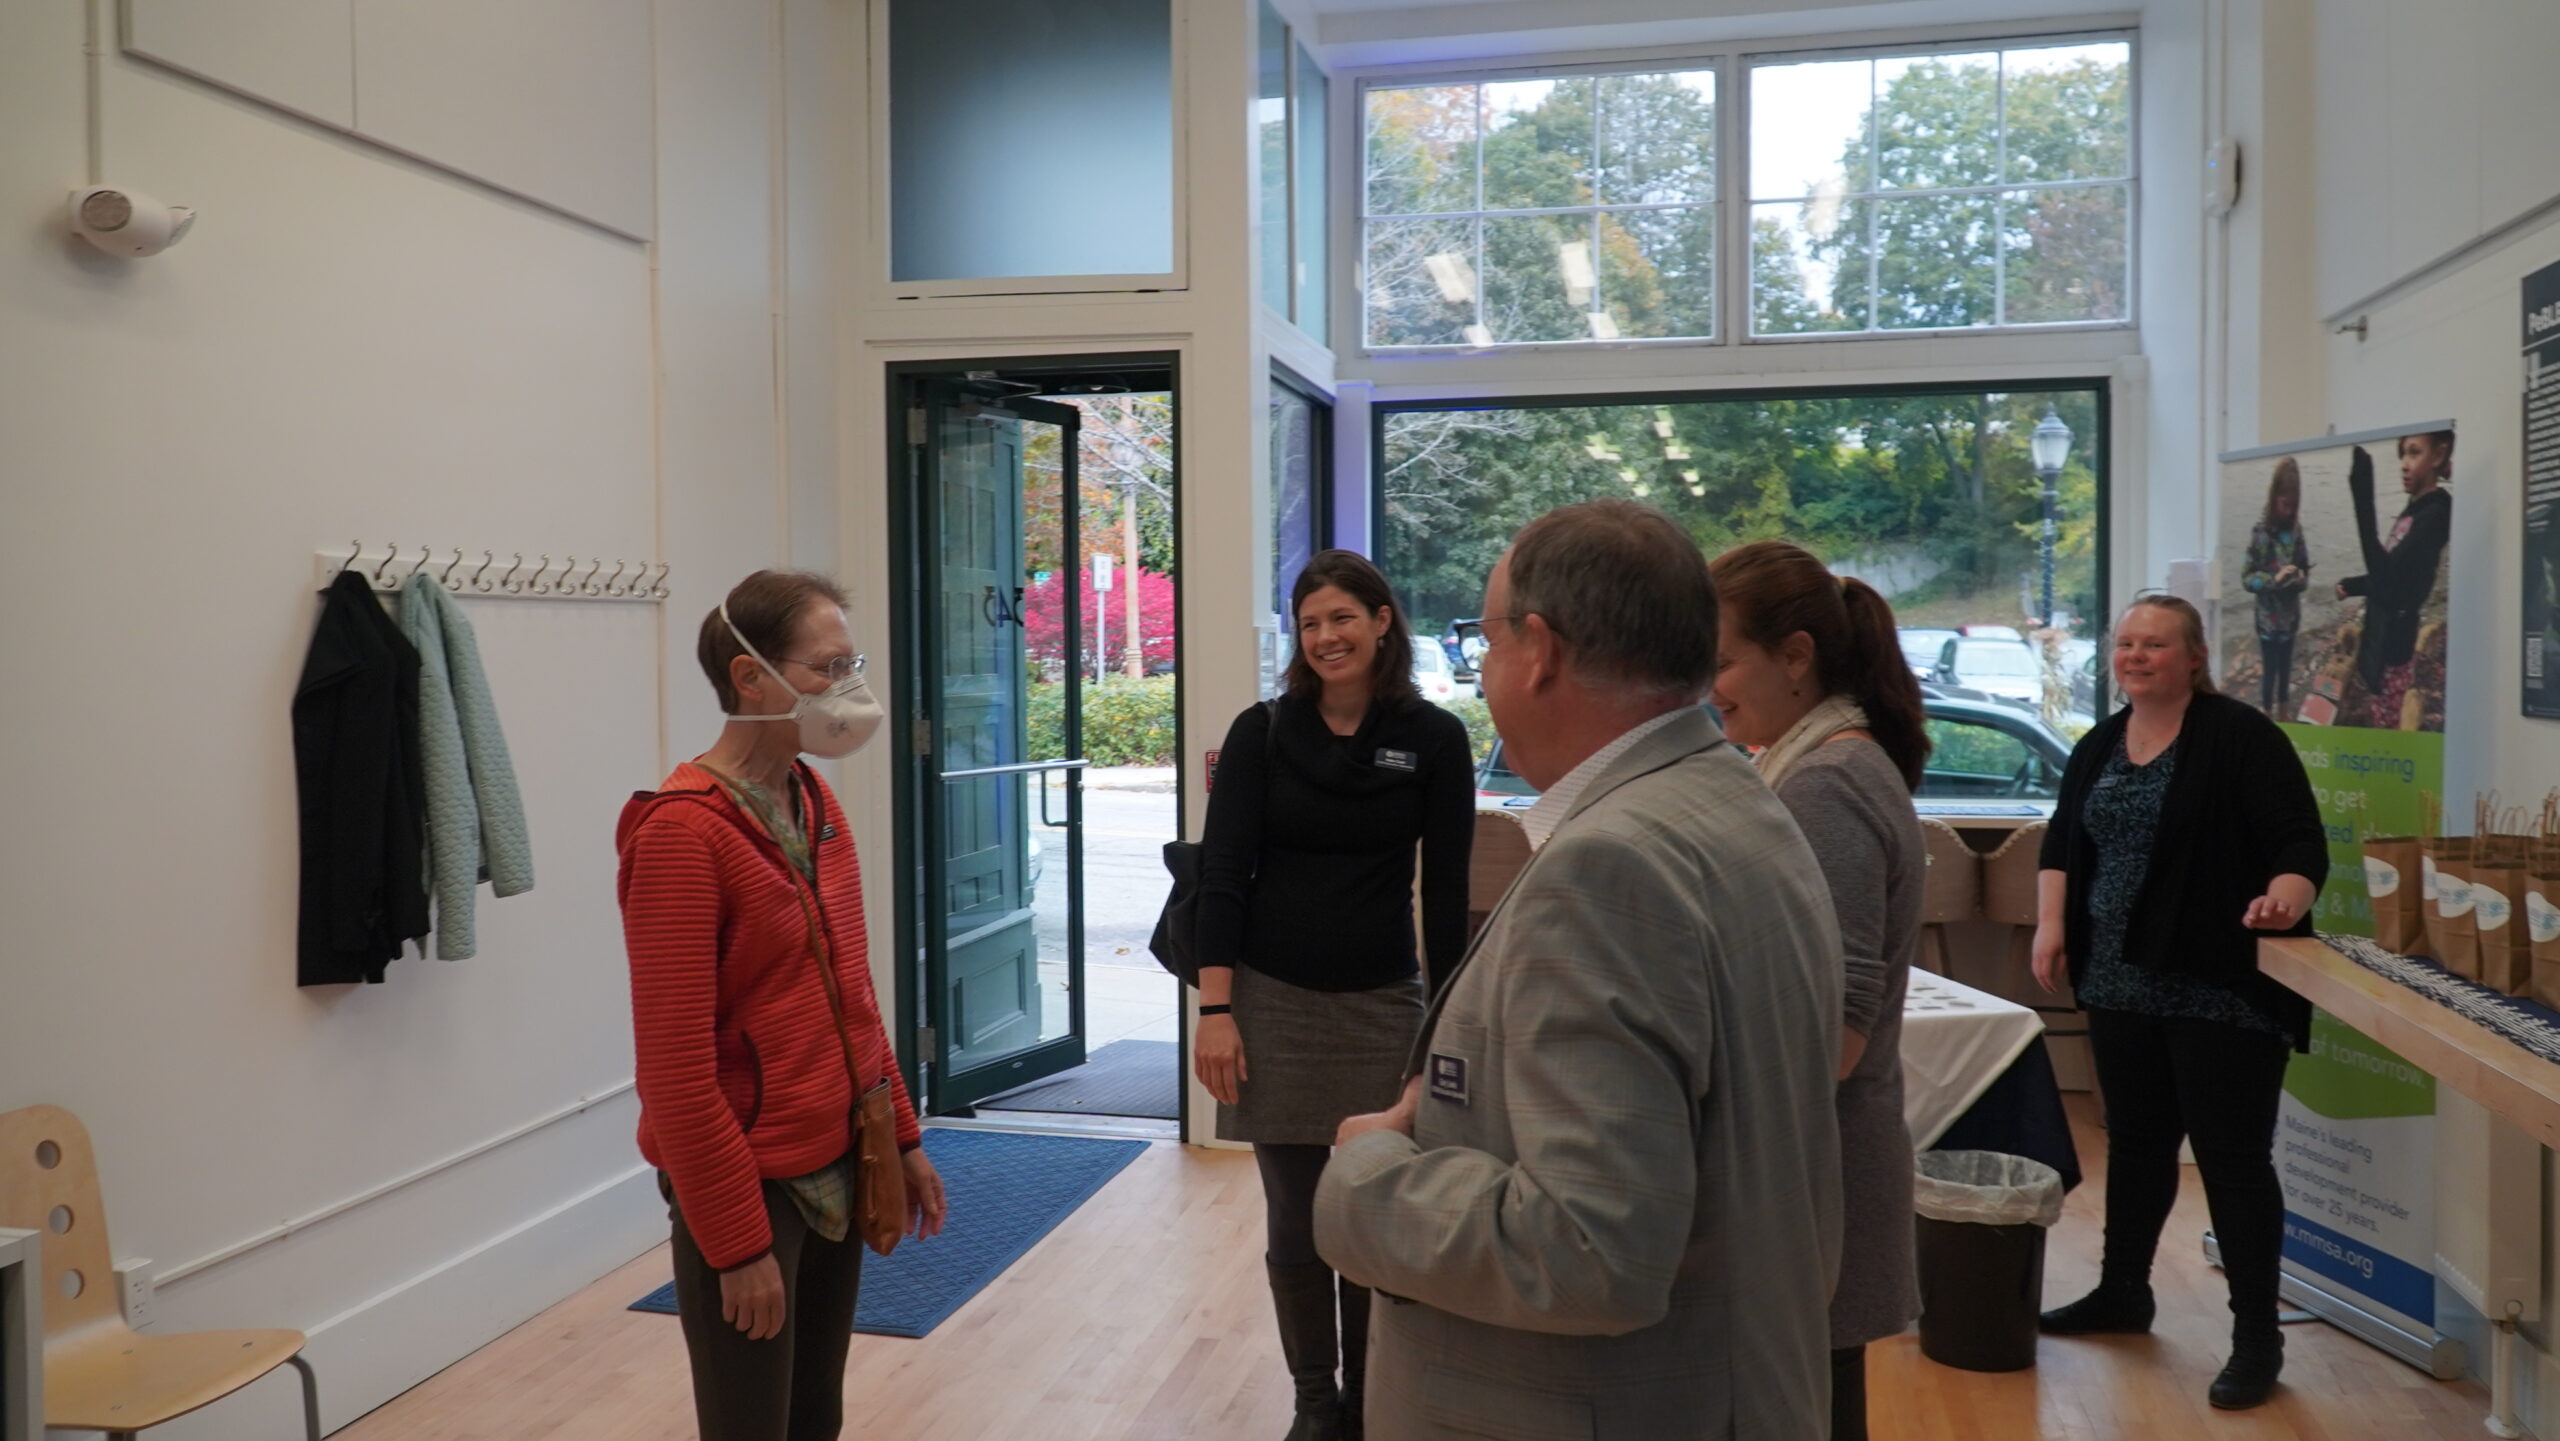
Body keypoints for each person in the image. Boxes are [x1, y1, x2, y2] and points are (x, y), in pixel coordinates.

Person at [1313, 501, 1844, 1441]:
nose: (1481, 676)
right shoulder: (1741, 808)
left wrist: (1369, 1173)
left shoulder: (1611, 868)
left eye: (1485, 641)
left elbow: (1590, 1248)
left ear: (1541, 650)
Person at [618, 570, 950, 1441]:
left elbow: (852, 994)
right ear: (749, 677)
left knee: (814, 1418)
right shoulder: (681, 834)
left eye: (854, 661)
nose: (849, 687)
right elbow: (676, 1073)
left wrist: (901, 1136)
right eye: (825, 666)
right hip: (750, 1184)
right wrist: (733, 1243)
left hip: (842, 1152)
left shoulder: (812, 796)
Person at [1194, 550, 1476, 1441]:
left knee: (1369, 1212)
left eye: (1343, 618)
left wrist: (1444, 1027)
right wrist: (1214, 1010)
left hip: (1384, 1004)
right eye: (1310, 622)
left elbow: (1448, 893)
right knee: (1293, 1218)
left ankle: (1371, 1406)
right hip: (1271, 1003)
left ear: (1382, 620)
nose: (1326, 637)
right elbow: (1221, 878)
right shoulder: (1262, 732)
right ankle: (1317, 1404)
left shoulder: (1432, 738)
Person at [2031, 593, 2327, 1412]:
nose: (2135, 656)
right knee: (2134, 1142)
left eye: (2154, 644)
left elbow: (2300, 840)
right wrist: (2052, 925)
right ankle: (2123, 1290)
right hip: (2120, 979)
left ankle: (2256, 1339)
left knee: (2231, 1161)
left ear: (2193, 655)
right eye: (2125, 643)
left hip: (2219, 984)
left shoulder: (2240, 738)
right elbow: (2063, 838)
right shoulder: (2099, 741)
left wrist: (2286, 898)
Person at [1706, 540, 1928, 1441]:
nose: (1707, 686)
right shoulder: (1810, 765)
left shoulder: (1826, 782)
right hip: (1813, 1175)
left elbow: (1831, 1034)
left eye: (1720, 661)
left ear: (1795, 657)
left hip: (1818, 1179)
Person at [2336, 433, 2452, 729]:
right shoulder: (2415, 510)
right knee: (2380, 708)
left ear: (2438, 456)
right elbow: (2392, 573)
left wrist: (2363, 501)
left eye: (2414, 453)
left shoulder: (2436, 514)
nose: (2404, 464)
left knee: (2388, 726)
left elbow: (2390, 582)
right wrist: (2353, 585)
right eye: (2402, 453)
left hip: (2395, 643)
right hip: (2383, 637)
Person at [2241, 458, 2312, 715]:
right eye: (2285, 505)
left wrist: (2301, 579)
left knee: (2286, 671)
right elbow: (2246, 578)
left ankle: (2285, 716)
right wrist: (2275, 580)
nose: (2289, 512)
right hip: (2267, 623)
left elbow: (2304, 567)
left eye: (2294, 507)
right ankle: (2267, 714)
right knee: (2269, 672)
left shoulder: (2296, 531)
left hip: (2290, 620)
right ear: (2274, 499)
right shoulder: (2260, 533)